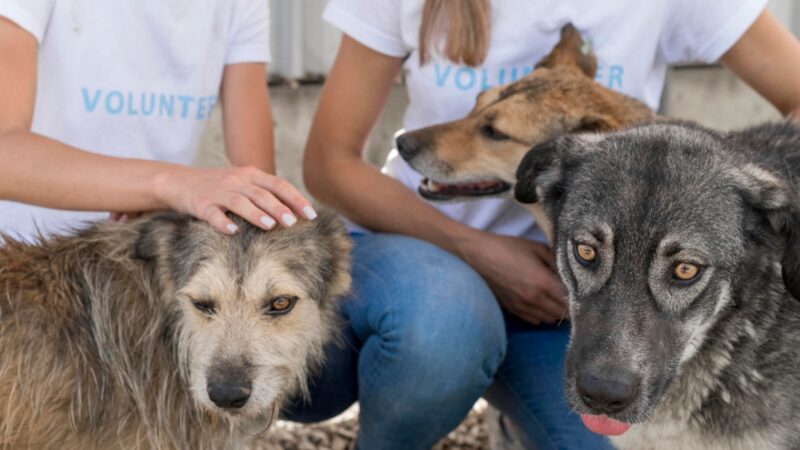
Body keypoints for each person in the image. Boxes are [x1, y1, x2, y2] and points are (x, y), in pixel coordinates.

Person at [285, 0, 800, 449]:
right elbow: (329, 163)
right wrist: (479, 251)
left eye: (493, 130)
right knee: (444, 329)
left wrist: (729, 195)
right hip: (427, 274)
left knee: (615, 419)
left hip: (563, 300)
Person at [0, 0, 315, 242]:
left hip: (140, 266)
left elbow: (253, 189)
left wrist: (182, 198)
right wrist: (168, 185)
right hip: (22, 269)